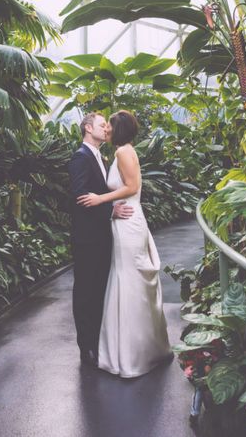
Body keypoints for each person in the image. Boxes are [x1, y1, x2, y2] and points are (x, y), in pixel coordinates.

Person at [77, 110, 172, 378]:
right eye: (102, 125)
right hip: (123, 221)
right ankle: (138, 349)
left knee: (130, 280)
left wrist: (100, 200)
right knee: (126, 279)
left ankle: (133, 354)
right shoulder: (121, 151)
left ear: (118, 130)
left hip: (128, 222)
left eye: (109, 126)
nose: (106, 129)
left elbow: (132, 187)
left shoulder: (122, 153)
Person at [68, 112, 134, 367]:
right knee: (85, 291)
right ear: (87, 128)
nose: (107, 128)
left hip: (102, 235)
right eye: (101, 124)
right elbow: (80, 195)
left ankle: (97, 340)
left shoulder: (100, 156)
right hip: (87, 237)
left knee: (99, 289)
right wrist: (111, 209)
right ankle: (87, 347)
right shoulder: (80, 157)